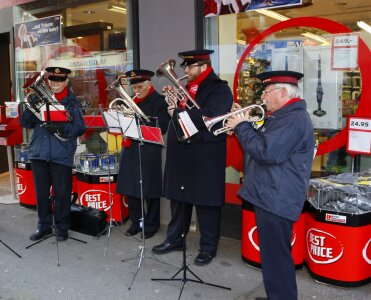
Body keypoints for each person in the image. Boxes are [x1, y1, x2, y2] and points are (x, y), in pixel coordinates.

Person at [225, 71, 315, 300]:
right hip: (271, 193)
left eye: (266, 91)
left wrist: (242, 127)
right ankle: (277, 295)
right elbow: (266, 142)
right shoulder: (283, 116)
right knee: (273, 257)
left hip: (277, 197)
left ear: (283, 92)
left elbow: (267, 152)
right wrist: (246, 124)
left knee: (277, 258)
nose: (263, 97)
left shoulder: (294, 118)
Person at [152, 50, 233, 266]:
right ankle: (175, 239)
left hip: (205, 153)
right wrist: (173, 103)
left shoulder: (219, 89)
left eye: (189, 67)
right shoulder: (188, 88)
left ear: (204, 66)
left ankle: (208, 247)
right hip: (182, 152)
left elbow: (211, 117)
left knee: (206, 203)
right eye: (185, 67)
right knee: (179, 200)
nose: (185, 71)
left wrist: (177, 112)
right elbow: (186, 114)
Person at [21, 67, 86, 242]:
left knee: (62, 193)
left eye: (59, 80)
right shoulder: (39, 98)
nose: (55, 84)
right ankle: (44, 226)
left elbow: (80, 127)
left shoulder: (72, 103)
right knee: (41, 193)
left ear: (66, 81)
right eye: (52, 80)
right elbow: (25, 123)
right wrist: (30, 107)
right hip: (39, 152)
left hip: (61, 153)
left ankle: (62, 227)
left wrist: (60, 127)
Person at [115, 70, 170, 239]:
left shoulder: (159, 101)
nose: (136, 90)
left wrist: (140, 118)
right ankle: (136, 222)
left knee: (150, 190)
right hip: (130, 149)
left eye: (140, 87)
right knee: (132, 189)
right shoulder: (130, 101)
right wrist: (121, 116)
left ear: (149, 85)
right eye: (134, 87)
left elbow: (163, 126)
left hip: (148, 150)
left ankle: (151, 224)